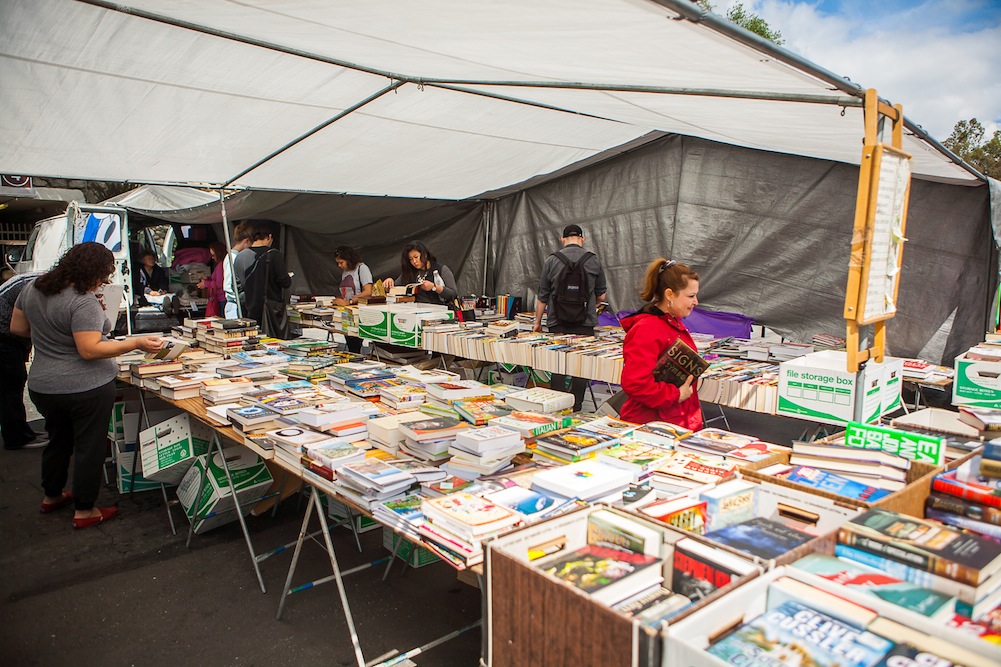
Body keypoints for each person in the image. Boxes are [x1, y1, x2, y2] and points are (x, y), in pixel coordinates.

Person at [11, 242, 162, 528]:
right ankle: (84, 510)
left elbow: (18, 329)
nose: (104, 282)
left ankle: (52, 495)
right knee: (88, 447)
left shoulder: (32, 289)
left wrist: (51, 336)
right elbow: (89, 349)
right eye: (104, 276)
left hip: (43, 385)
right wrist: (137, 343)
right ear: (91, 271)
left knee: (58, 440)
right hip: (84, 387)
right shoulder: (82, 300)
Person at [619, 258, 703, 430]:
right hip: (654, 425)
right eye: (691, 296)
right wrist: (676, 395)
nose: (696, 302)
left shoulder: (671, 321)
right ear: (670, 295)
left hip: (675, 420)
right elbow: (635, 383)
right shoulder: (648, 328)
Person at [533, 224, 607, 411]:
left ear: (563, 239)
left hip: (557, 320)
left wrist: (537, 323)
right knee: (580, 364)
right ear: (582, 239)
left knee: (558, 363)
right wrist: (592, 304)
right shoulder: (593, 260)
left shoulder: (552, 260)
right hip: (585, 321)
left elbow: (542, 296)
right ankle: (577, 405)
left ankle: (557, 405)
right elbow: (602, 296)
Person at [0, 272, 47, 450]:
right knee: (11, 385)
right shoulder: (38, 286)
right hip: (5, 335)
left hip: (9, 335)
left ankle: (22, 432)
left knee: (13, 384)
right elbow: (20, 327)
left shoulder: (38, 280)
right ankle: (17, 438)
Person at [234, 221, 292, 337]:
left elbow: (236, 286)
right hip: (271, 309)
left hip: (249, 308)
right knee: (273, 343)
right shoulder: (274, 254)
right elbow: (285, 282)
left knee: (252, 341)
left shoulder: (240, 257)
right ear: (269, 237)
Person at [382, 241, 457, 306]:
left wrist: (434, 287)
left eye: (416, 257)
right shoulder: (410, 272)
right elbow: (395, 287)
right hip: (416, 311)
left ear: (425, 255)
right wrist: (389, 282)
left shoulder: (441, 269)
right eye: (411, 259)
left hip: (439, 311)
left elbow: (453, 295)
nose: (414, 261)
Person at [332, 246, 373, 354]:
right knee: (350, 342)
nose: (339, 266)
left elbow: (368, 291)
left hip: (359, 312)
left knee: (355, 343)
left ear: (349, 259)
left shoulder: (362, 268)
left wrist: (349, 301)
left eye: (341, 262)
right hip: (347, 313)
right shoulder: (345, 272)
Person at [133, 248, 178, 315]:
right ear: (142, 260)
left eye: (153, 258)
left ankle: (173, 304)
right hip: (144, 293)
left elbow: (163, 281)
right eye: (149, 259)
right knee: (151, 299)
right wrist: (149, 291)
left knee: (170, 296)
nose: (152, 260)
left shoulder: (158, 270)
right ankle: (164, 306)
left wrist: (163, 290)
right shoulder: (138, 271)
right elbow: (138, 285)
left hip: (157, 292)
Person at [223, 222, 253, 318]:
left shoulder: (237, 257)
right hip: (235, 306)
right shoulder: (232, 258)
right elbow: (229, 285)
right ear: (246, 241)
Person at [197, 241, 227, 317]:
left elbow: (220, 283)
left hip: (222, 298)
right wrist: (207, 278)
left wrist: (206, 284)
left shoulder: (221, 265)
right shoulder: (220, 265)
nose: (212, 257)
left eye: (213, 255)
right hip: (220, 298)